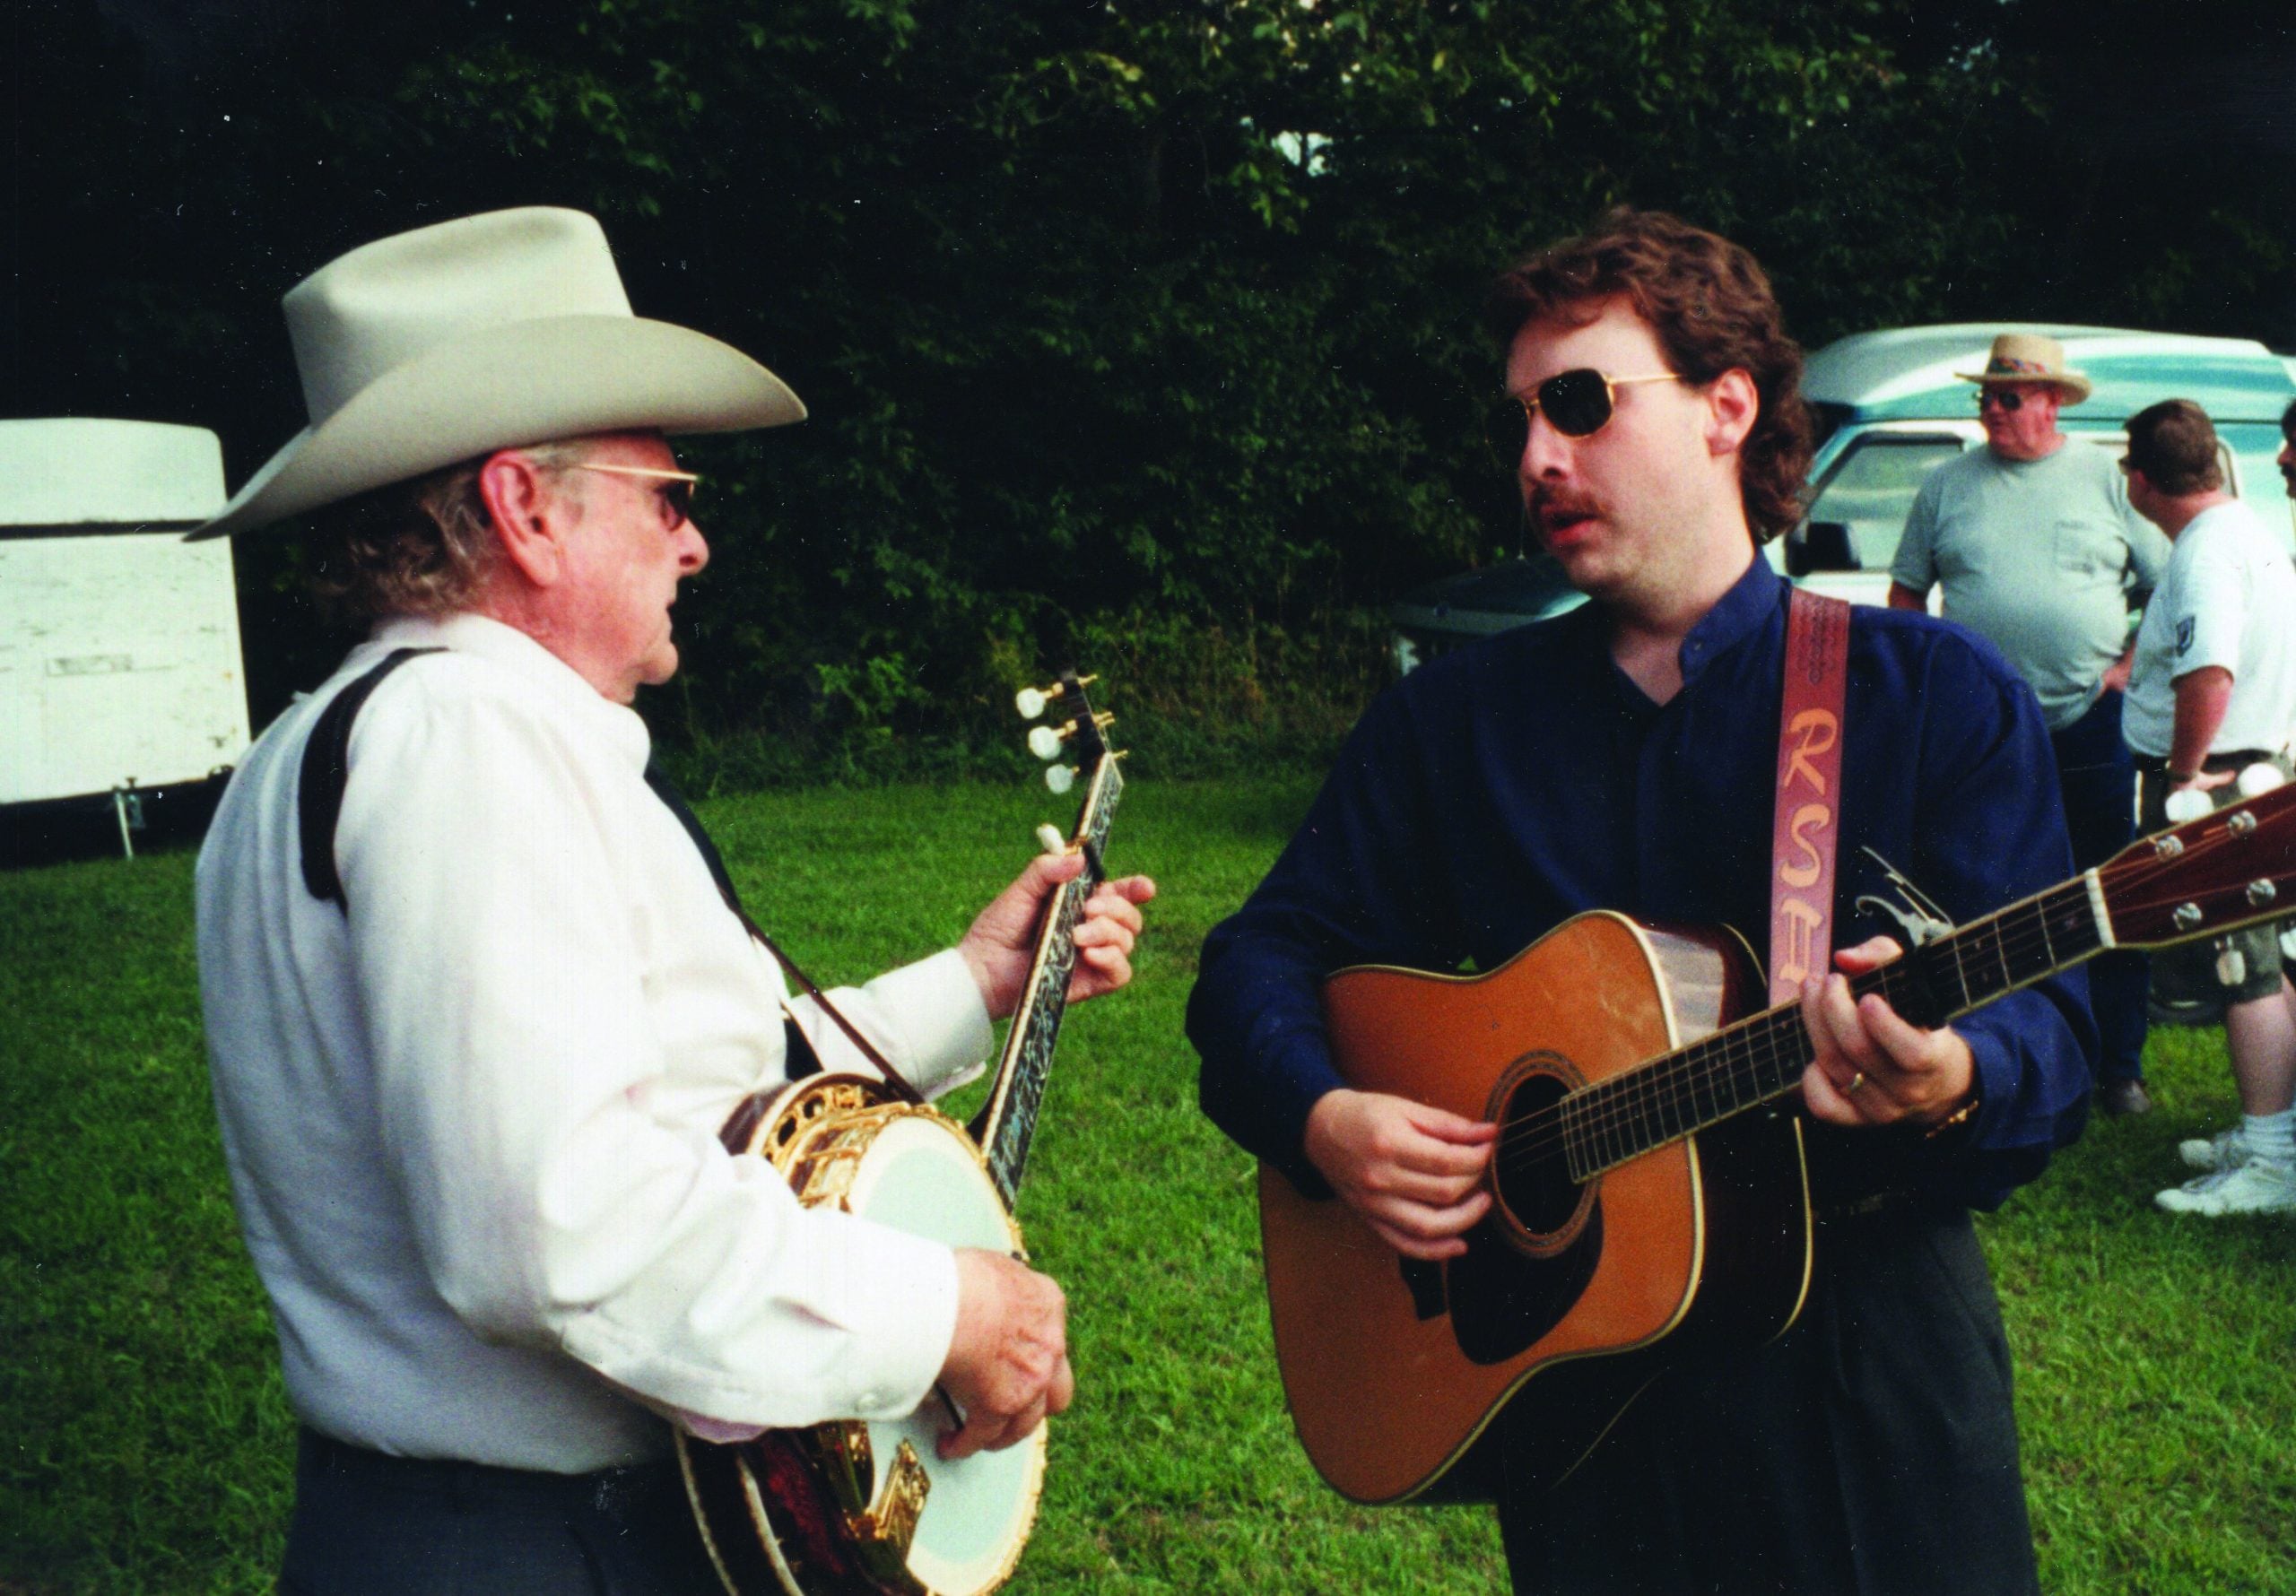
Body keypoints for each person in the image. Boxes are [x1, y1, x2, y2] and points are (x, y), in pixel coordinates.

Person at [191, 207, 1155, 1594]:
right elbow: (559, 1220)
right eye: (669, 498)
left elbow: (678, 1088)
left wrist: (976, 979)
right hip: (539, 1551)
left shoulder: (331, 743)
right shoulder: (468, 740)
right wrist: (944, 1309)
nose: (693, 548)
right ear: (527, 508)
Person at [1188, 209, 2092, 1595]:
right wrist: (1324, 1119)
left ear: (1730, 406)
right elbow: (1267, 954)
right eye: (1523, 421)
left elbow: (2056, 1035)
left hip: (1867, 1387)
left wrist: (1956, 1074)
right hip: (1580, 1410)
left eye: (1580, 404)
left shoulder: (1930, 697)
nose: (1538, 457)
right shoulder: (1454, 726)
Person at [1887, 332, 2168, 1116]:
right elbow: (1907, 597)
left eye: (2007, 397)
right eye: (1984, 397)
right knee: (1984, 901)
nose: (1991, 411)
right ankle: (1991, 1058)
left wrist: (2126, 670)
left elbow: (2166, 584)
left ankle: (2119, 1067)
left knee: (2112, 892)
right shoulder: (1946, 485)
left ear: (2051, 403)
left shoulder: (2106, 482)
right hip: (1976, 740)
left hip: (2087, 725)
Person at [2116, 399, 2296, 1217]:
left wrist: (2184, 778)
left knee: (2245, 972)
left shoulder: (2205, 553)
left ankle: (2271, 1162)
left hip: (2218, 783)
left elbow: (2209, 674)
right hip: (2254, 770)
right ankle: (2272, 1131)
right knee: (2264, 967)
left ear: (2140, 480)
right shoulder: (2248, 531)